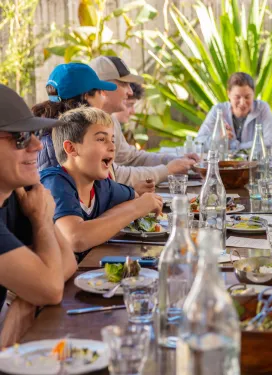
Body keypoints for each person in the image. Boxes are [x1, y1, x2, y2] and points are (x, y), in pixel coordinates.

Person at [34, 61, 196, 189]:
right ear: (86, 96)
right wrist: (166, 170)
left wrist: (131, 195)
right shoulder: (67, 136)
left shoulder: (53, 127)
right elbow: (112, 177)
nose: (103, 98)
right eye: (100, 92)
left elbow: (111, 181)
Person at [0, 84, 77, 341]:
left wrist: (24, 302)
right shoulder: (29, 202)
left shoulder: (18, 194)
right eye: (20, 136)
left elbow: (67, 262)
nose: (36, 145)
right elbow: (52, 288)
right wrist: (42, 220)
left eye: (33, 133)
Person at [40, 107, 163, 261]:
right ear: (71, 148)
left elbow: (135, 198)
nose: (112, 147)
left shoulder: (102, 184)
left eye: (112, 139)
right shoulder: (54, 182)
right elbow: (76, 238)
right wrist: (137, 208)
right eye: (101, 139)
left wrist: (139, 204)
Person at [196, 72, 272, 152]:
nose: (242, 103)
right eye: (237, 97)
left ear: (254, 94)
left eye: (247, 97)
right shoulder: (218, 110)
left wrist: (234, 146)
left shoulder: (262, 108)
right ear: (228, 94)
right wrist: (218, 138)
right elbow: (198, 144)